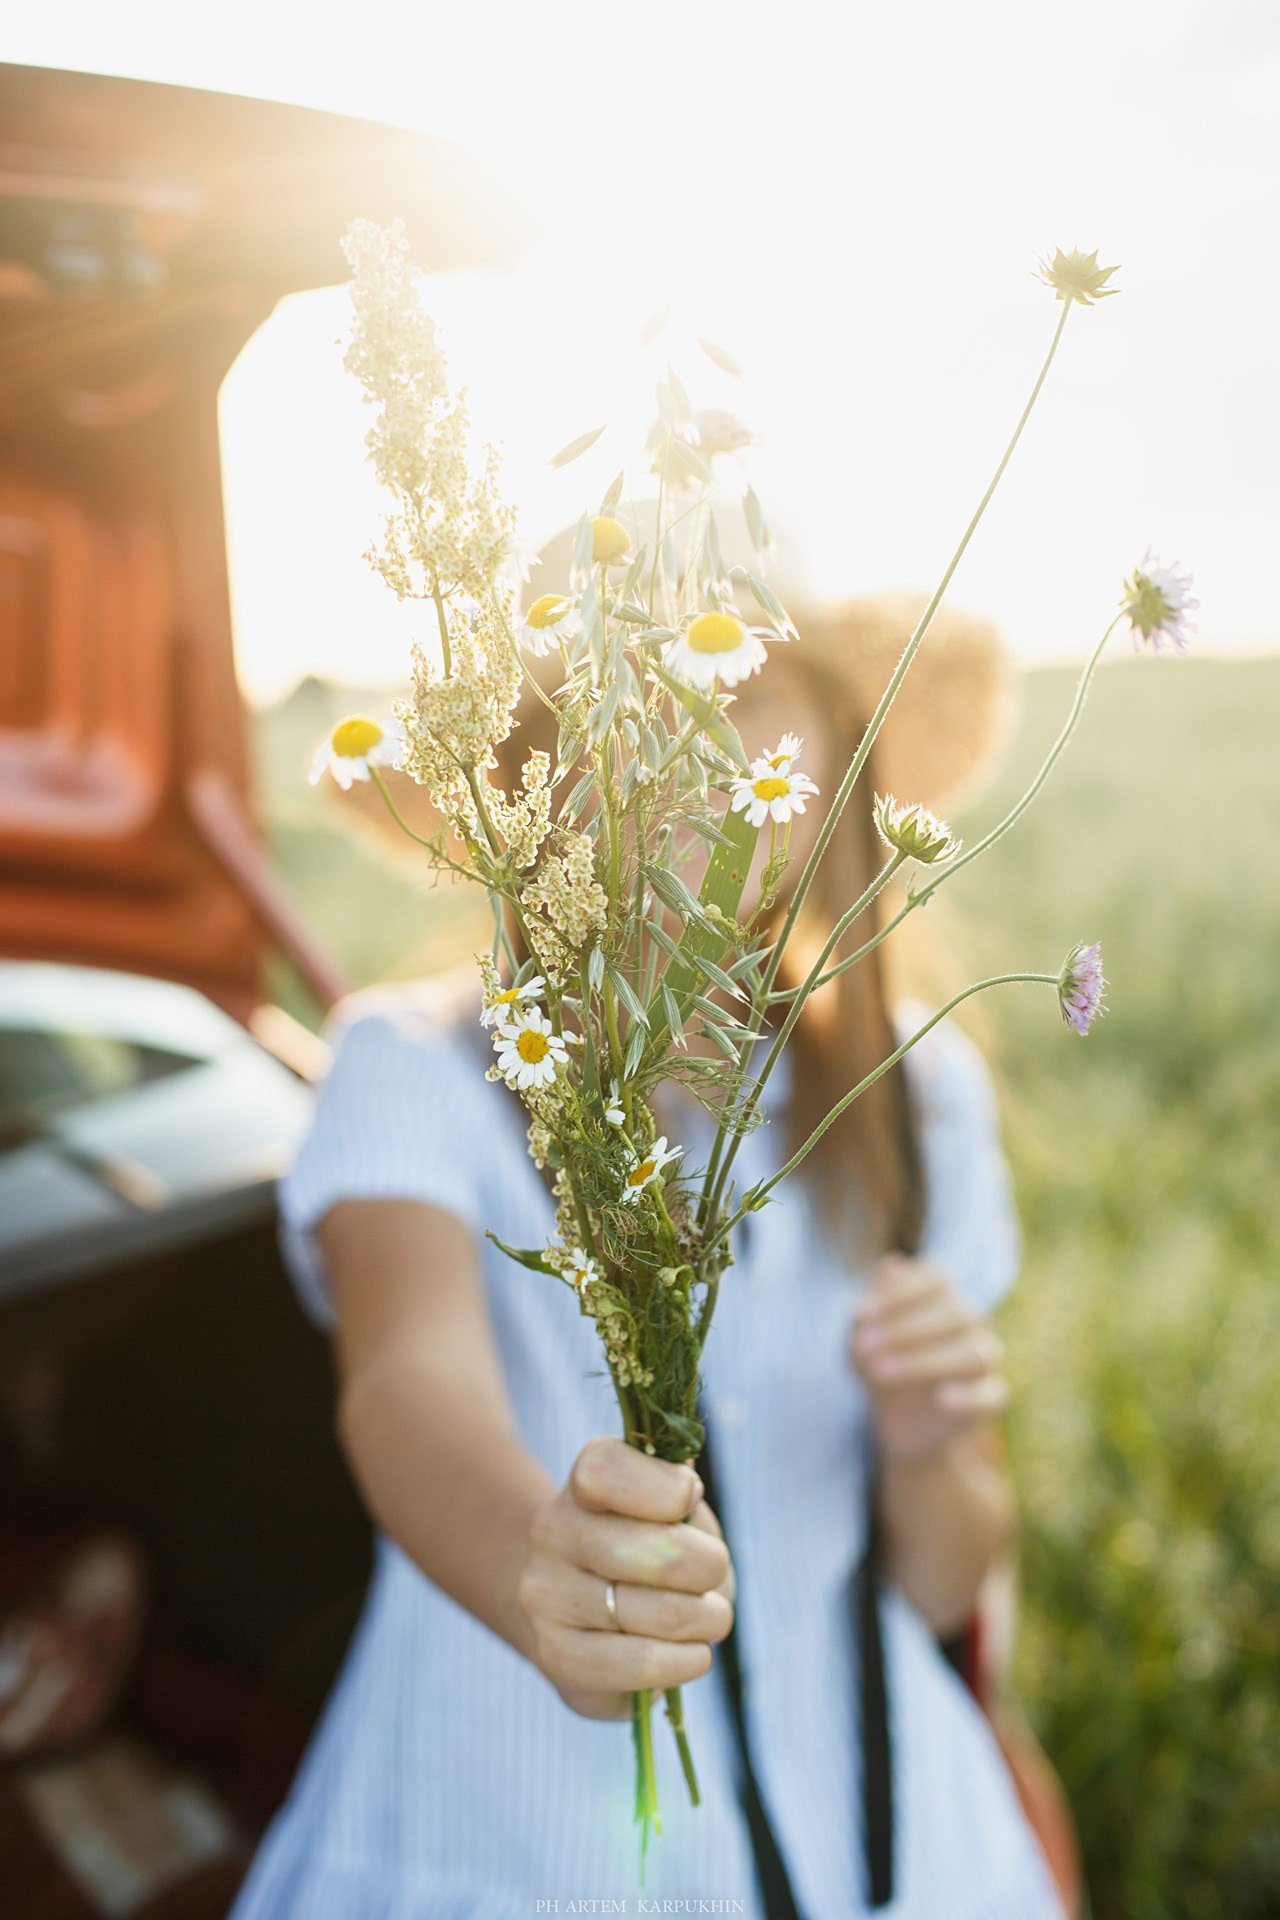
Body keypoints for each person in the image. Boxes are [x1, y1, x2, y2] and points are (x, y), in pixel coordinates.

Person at [228, 586, 1070, 1920]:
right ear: (526, 783)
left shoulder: (914, 1093)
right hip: (509, 1831)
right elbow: (406, 1386)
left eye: (737, 691)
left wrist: (927, 1440)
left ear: (834, 752)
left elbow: (944, 1572)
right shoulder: (419, 1065)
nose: (677, 753)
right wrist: (535, 1561)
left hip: (888, 1830)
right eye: (607, 708)